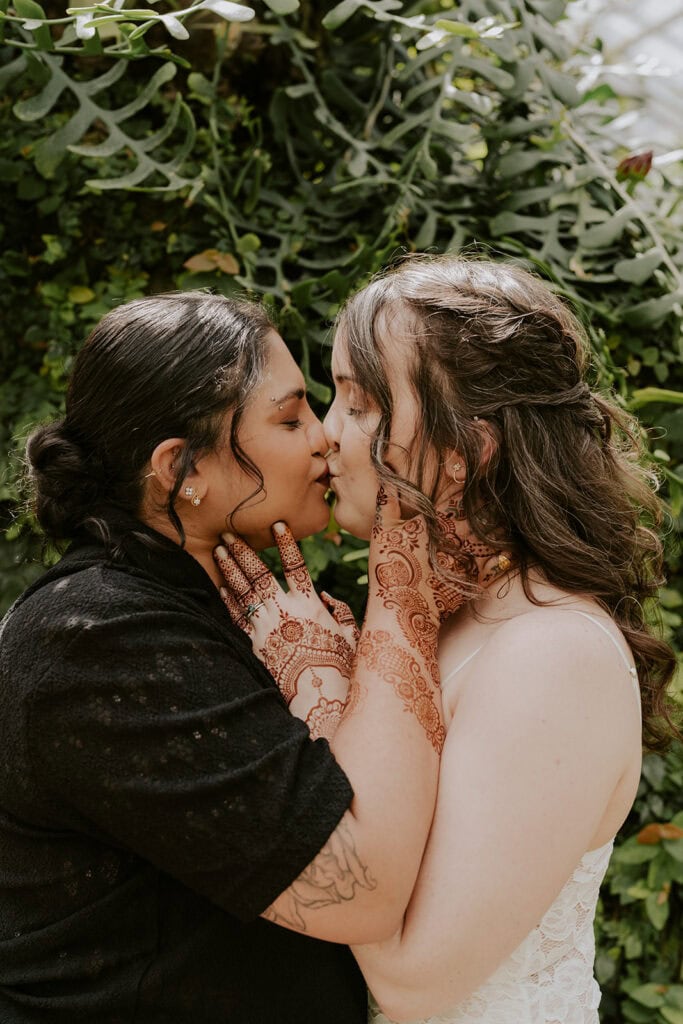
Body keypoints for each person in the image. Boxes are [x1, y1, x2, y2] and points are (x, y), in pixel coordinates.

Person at [0, 290, 499, 1023]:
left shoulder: (208, 606)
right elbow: (360, 895)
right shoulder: (102, 638)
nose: (325, 439)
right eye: (290, 417)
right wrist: (400, 585)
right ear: (179, 470)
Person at [217, 258, 678, 1024]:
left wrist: (321, 696)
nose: (328, 435)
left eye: (360, 404)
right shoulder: (450, 619)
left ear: (474, 449)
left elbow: (410, 980)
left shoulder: (550, 653)